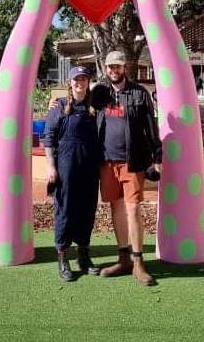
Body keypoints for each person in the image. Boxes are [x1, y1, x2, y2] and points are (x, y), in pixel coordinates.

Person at [92, 51, 162, 286]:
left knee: (132, 209)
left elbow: (151, 127)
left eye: (118, 66)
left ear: (124, 68)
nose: (114, 70)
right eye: (110, 66)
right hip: (106, 161)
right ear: (106, 68)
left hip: (132, 162)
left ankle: (139, 262)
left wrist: (157, 157)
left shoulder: (139, 93)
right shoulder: (100, 92)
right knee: (117, 208)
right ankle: (123, 259)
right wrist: (61, 105)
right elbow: (85, 114)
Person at [44, 66, 101, 281]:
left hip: (89, 166)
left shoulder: (94, 105)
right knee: (65, 210)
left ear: (88, 82)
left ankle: (83, 257)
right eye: (76, 79)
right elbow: (48, 136)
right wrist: (51, 166)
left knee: (87, 210)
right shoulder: (59, 106)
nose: (80, 83)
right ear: (70, 82)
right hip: (66, 167)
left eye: (84, 79)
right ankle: (63, 258)